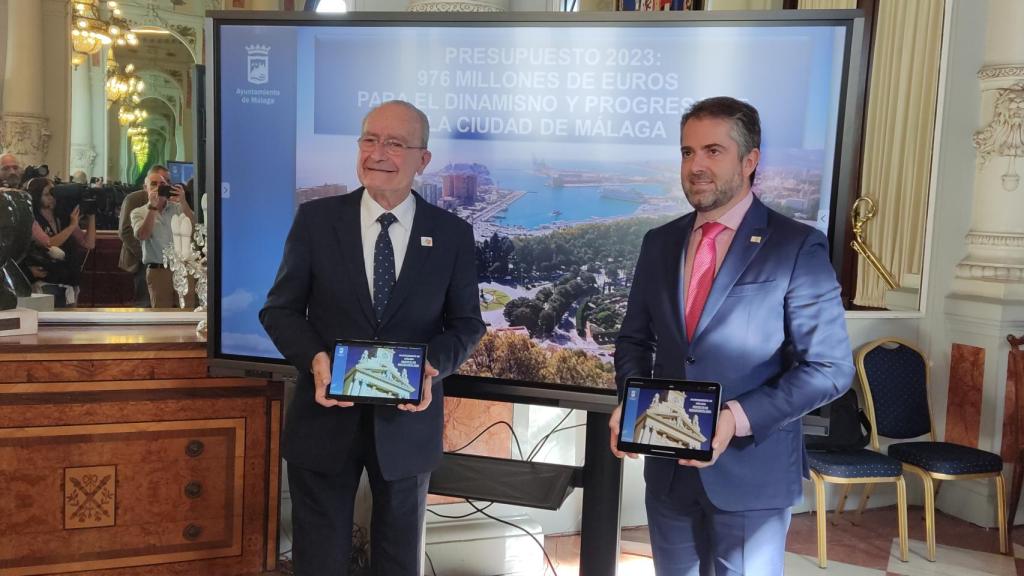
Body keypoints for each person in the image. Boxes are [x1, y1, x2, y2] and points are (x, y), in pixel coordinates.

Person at [610, 96, 853, 576]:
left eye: (713, 151)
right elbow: (634, 342)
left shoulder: (796, 245)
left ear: (750, 160)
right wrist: (632, 402)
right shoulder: (659, 242)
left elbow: (829, 367)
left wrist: (734, 418)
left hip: (752, 475)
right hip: (668, 472)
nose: (696, 166)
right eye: (687, 152)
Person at [260, 100, 484, 576]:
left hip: (407, 428)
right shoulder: (316, 221)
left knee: (398, 562)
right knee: (318, 561)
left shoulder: (452, 234)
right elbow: (279, 310)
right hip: (323, 423)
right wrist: (316, 359)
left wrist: (431, 367)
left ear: (423, 159)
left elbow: (467, 325)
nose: (378, 153)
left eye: (395, 143)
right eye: (369, 140)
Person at [23, 177, 96, 306]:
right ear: (36, 196)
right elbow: (48, 243)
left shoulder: (62, 216)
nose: (52, 197)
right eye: (46, 194)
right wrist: (72, 226)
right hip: (46, 282)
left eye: (53, 193)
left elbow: (88, 243)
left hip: (69, 279)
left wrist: (91, 215)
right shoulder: (31, 218)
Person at [130, 164, 194, 308]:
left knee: (187, 313)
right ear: (145, 188)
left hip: (182, 269)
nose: (158, 187)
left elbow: (193, 227)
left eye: (163, 184)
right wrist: (153, 207)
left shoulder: (178, 208)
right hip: (158, 271)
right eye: (153, 184)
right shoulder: (138, 212)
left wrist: (183, 201)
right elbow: (142, 235)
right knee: (162, 315)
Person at [119, 184, 152, 307]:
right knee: (145, 302)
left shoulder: (170, 201)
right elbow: (125, 231)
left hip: (165, 262)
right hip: (140, 260)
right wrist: (146, 255)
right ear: (146, 186)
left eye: (166, 182)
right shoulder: (133, 199)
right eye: (154, 183)